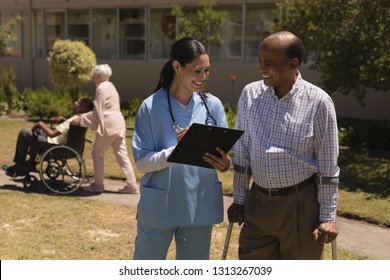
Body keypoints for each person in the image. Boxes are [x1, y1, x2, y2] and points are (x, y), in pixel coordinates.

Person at [227, 31, 340, 260]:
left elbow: (328, 167)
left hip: (300, 206)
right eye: (260, 61)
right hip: (258, 202)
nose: (262, 68)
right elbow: (242, 153)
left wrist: (328, 216)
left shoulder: (319, 102)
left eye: (269, 63)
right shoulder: (250, 94)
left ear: (292, 64)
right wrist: (239, 198)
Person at [132, 37, 231, 260]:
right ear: (177, 66)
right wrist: (178, 150)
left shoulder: (212, 105)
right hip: (160, 208)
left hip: (198, 207)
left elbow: (223, 156)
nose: (203, 77)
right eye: (197, 71)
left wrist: (225, 164)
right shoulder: (150, 106)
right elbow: (142, 163)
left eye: (207, 70)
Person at [71, 64, 138, 194]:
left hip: (108, 126)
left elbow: (99, 112)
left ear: (100, 77)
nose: (93, 79)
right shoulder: (111, 86)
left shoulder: (101, 88)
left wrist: (81, 119)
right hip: (118, 125)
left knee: (97, 154)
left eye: (94, 76)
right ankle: (132, 185)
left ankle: (98, 185)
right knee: (122, 156)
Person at [2, 97, 94, 177]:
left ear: (83, 108)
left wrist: (40, 123)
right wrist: (64, 120)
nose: (75, 102)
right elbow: (71, 129)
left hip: (55, 147)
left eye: (78, 102)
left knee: (24, 133)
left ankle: (20, 166)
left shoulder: (74, 119)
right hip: (64, 145)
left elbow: (52, 133)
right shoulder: (82, 118)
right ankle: (28, 164)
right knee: (37, 133)